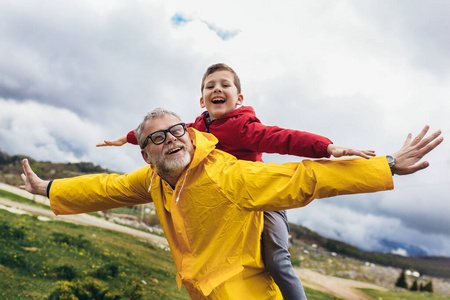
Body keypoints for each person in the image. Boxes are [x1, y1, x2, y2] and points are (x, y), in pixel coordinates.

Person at [21, 108, 442, 299]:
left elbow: (306, 176)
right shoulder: (152, 179)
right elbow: (106, 188)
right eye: (156, 137)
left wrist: (386, 165)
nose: (170, 138)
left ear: (189, 133)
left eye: (176, 130)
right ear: (146, 153)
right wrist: (50, 188)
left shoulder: (227, 175)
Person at [96, 63, 376, 300]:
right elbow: (158, 133)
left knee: (277, 260)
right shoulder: (194, 130)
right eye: (210, 86)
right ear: (202, 100)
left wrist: (326, 148)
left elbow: (283, 138)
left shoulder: (244, 128)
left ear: (239, 99)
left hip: (261, 200)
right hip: (227, 203)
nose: (217, 89)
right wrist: (128, 138)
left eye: (225, 85)